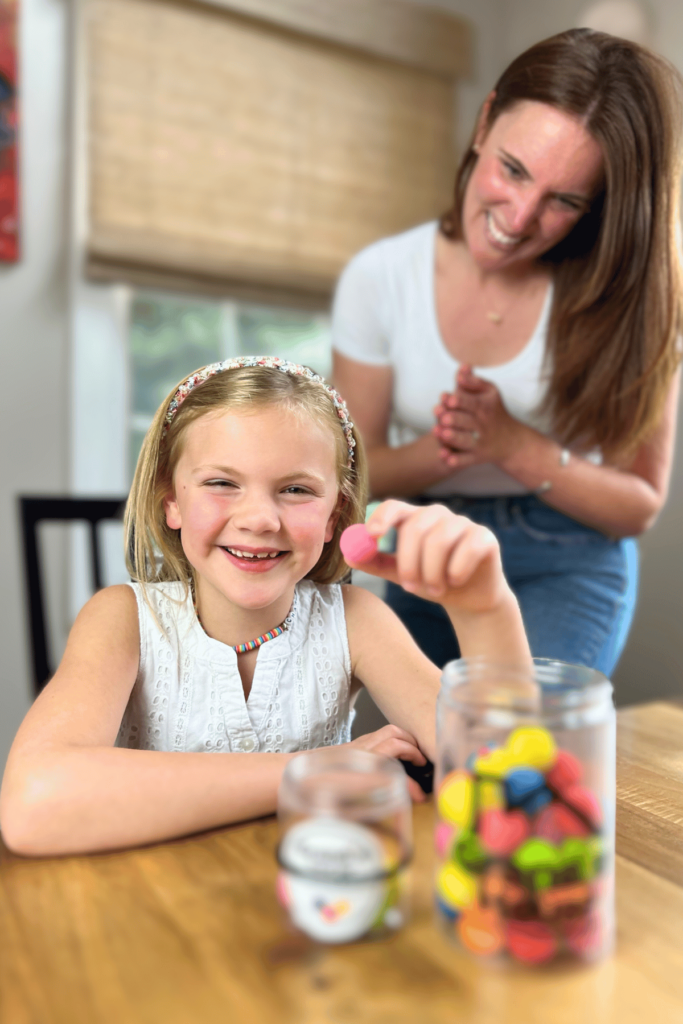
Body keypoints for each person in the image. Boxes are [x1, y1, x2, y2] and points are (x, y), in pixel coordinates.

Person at [0, 357, 529, 857]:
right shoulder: (122, 619)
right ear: (172, 500)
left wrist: (485, 610)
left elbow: (513, 781)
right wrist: (315, 769)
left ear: (334, 515)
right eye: (222, 483)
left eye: (296, 489)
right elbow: (32, 803)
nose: (259, 519)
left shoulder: (356, 619)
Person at [332, 28, 683, 676]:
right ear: (484, 121)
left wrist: (511, 446)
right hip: (427, 548)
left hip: (568, 557)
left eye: (564, 200)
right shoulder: (379, 278)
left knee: (523, 753)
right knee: (422, 760)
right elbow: (355, 473)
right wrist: (454, 443)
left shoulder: (635, 302)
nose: (519, 217)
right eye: (512, 169)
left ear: (598, 208)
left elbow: (638, 502)